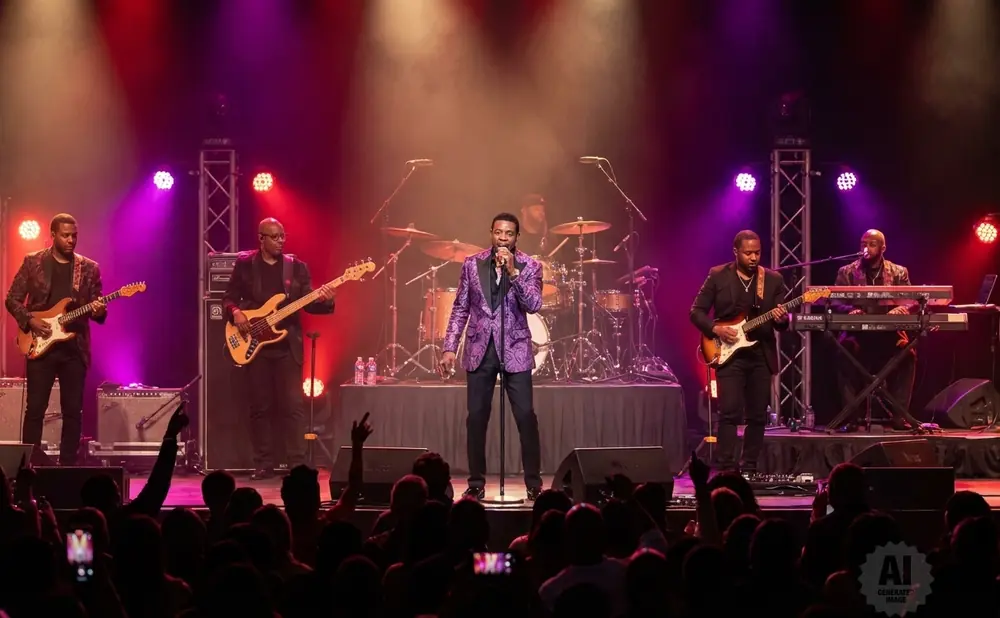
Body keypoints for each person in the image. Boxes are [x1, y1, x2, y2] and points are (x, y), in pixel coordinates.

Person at [438, 213, 544, 500]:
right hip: (479, 348)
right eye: (498, 233)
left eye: (509, 234)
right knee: (476, 418)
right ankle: (475, 483)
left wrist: (513, 273)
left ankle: (534, 483)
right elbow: (460, 307)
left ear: (517, 237)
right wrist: (450, 347)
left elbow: (534, 304)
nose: (503, 238)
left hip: (516, 349)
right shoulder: (472, 264)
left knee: (525, 416)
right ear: (491, 233)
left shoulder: (531, 266)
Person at [223, 218, 337, 480]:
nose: (281, 241)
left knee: (293, 406)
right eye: (274, 237)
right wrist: (236, 312)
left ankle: (296, 463)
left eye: (283, 236)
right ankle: (263, 463)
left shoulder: (295, 267)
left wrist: (326, 301)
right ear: (261, 239)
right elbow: (228, 296)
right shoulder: (245, 264)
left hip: (286, 346)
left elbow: (308, 302)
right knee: (260, 407)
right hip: (254, 343)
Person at [4, 214, 107, 465]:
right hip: (41, 345)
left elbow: (99, 310)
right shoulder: (33, 262)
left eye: (74, 235)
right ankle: (29, 466)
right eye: (65, 235)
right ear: (53, 234)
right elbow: (12, 298)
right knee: (35, 409)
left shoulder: (89, 268)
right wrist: (30, 320)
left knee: (72, 412)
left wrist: (99, 310)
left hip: (74, 348)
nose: (71, 240)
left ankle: (67, 466)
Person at [690, 230, 789, 472]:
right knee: (730, 412)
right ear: (736, 252)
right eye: (748, 253)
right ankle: (726, 467)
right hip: (728, 352)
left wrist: (781, 318)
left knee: (757, 415)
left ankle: (750, 467)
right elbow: (696, 312)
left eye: (757, 253)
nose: (753, 258)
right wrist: (716, 330)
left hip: (760, 354)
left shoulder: (773, 280)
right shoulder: (717, 276)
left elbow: (782, 323)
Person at [833, 229, 916, 430]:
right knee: (843, 351)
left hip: (889, 334)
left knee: (908, 354)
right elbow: (834, 300)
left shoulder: (899, 272)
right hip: (858, 335)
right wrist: (850, 309)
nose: (865, 248)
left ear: (882, 248)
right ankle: (851, 417)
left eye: (871, 244)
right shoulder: (847, 272)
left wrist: (902, 307)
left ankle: (899, 415)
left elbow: (913, 299)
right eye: (863, 244)